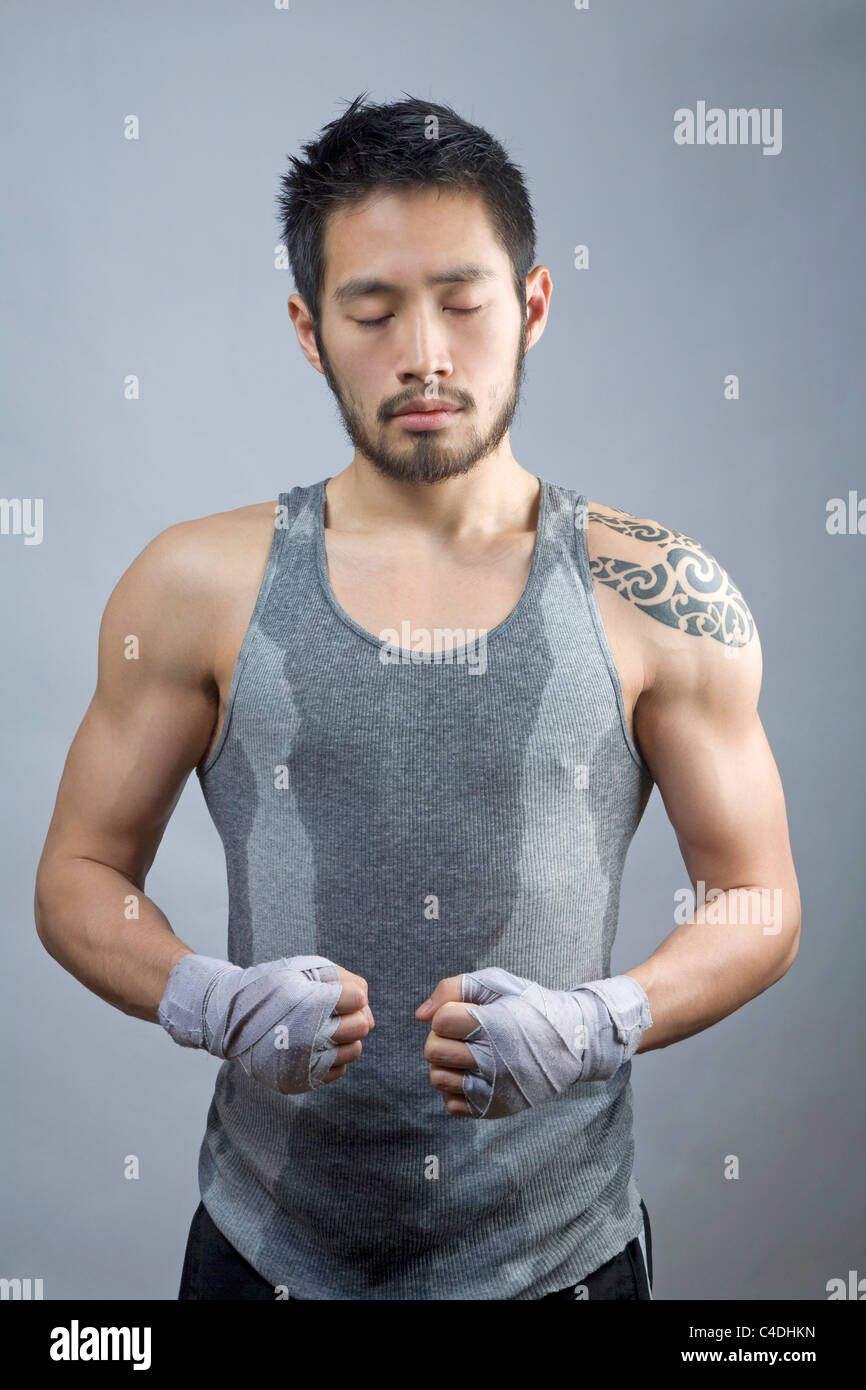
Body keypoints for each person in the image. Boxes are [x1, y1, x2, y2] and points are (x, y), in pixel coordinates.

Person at [34, 93, 800, 1301]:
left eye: (462, 300)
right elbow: (77, 876)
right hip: (267, 1260)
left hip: (560, 1266)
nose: (425, 353)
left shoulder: (652, 589)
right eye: (373, 310)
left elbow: (759, 898)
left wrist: (598, 1019)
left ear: (532, 305)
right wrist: (209, 998)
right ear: (307, 327)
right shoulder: (193, 583)